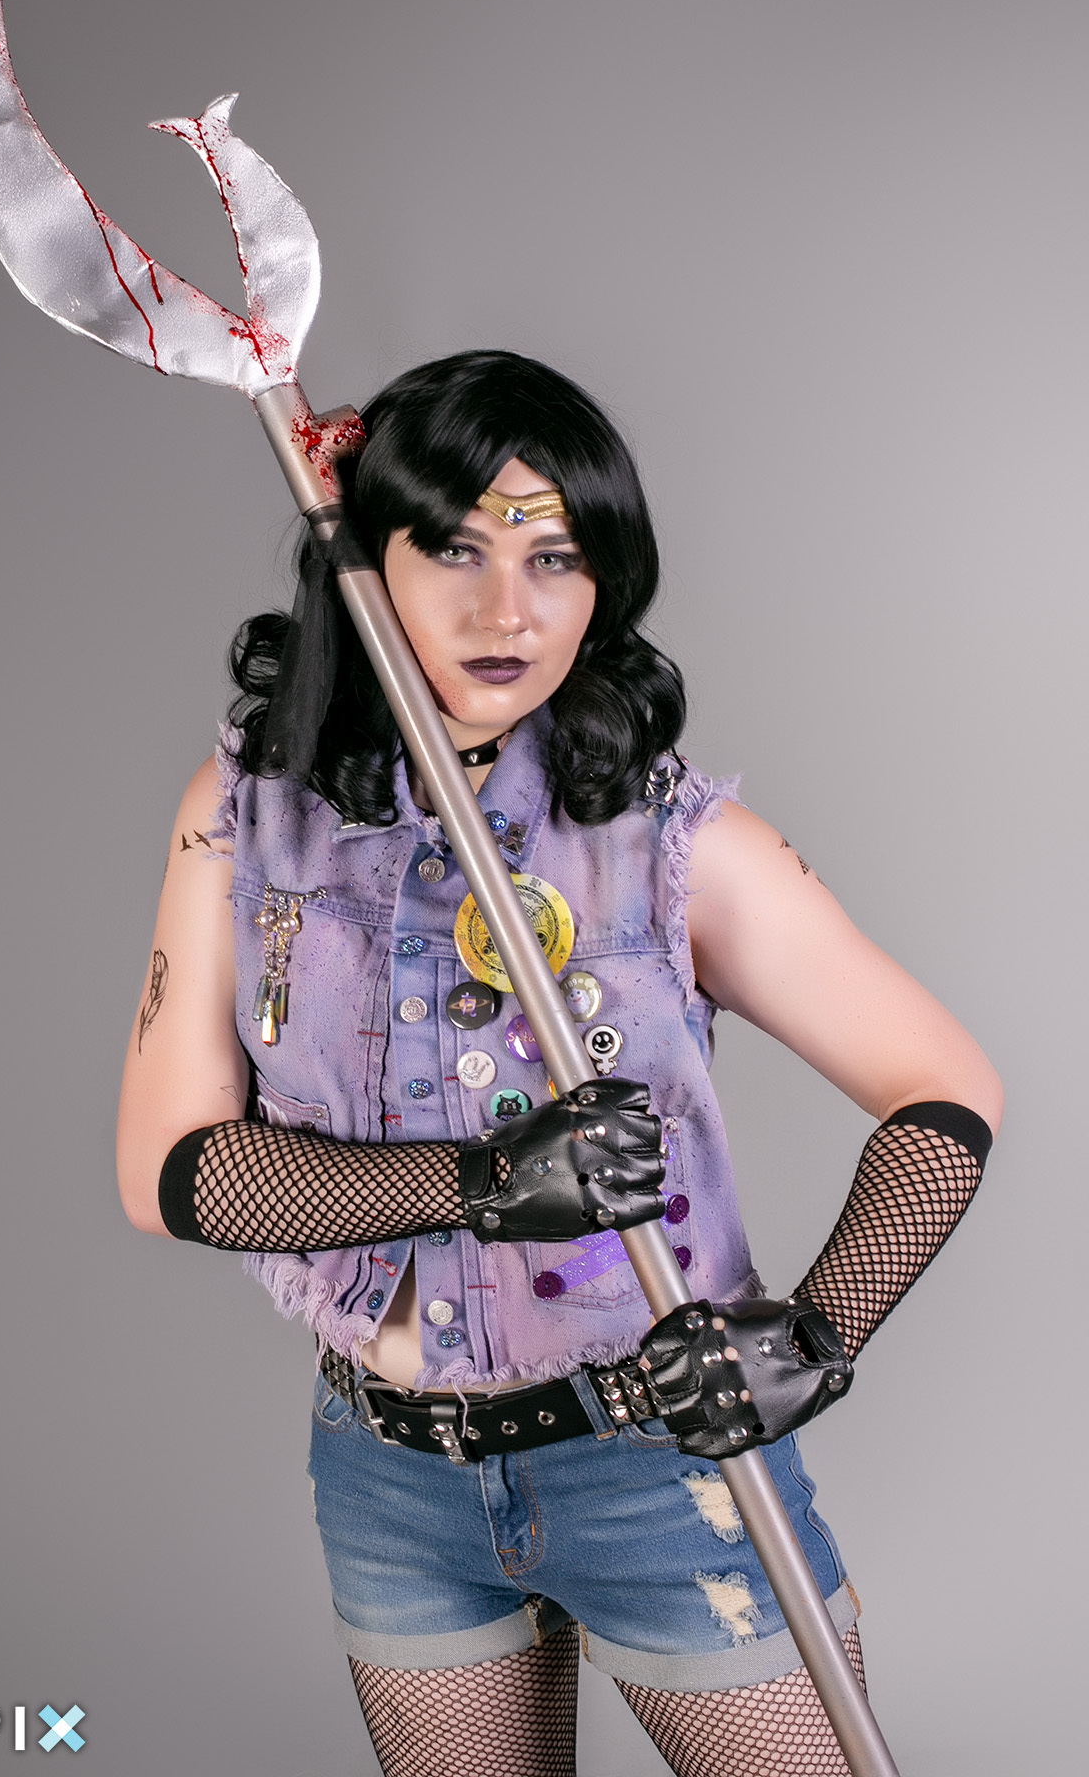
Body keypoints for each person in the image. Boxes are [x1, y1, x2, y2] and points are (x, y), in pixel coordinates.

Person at [116, 350, 1001, 1777]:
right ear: (367, 560)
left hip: (659, 1463)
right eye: (456, 548)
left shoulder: (672, 840)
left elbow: (945, 1093)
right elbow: (170, 1174)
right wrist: (478, 1182)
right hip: (390, 1477)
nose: (507, 611)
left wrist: (817, 1337)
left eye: (555, 557)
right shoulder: (247, 819)